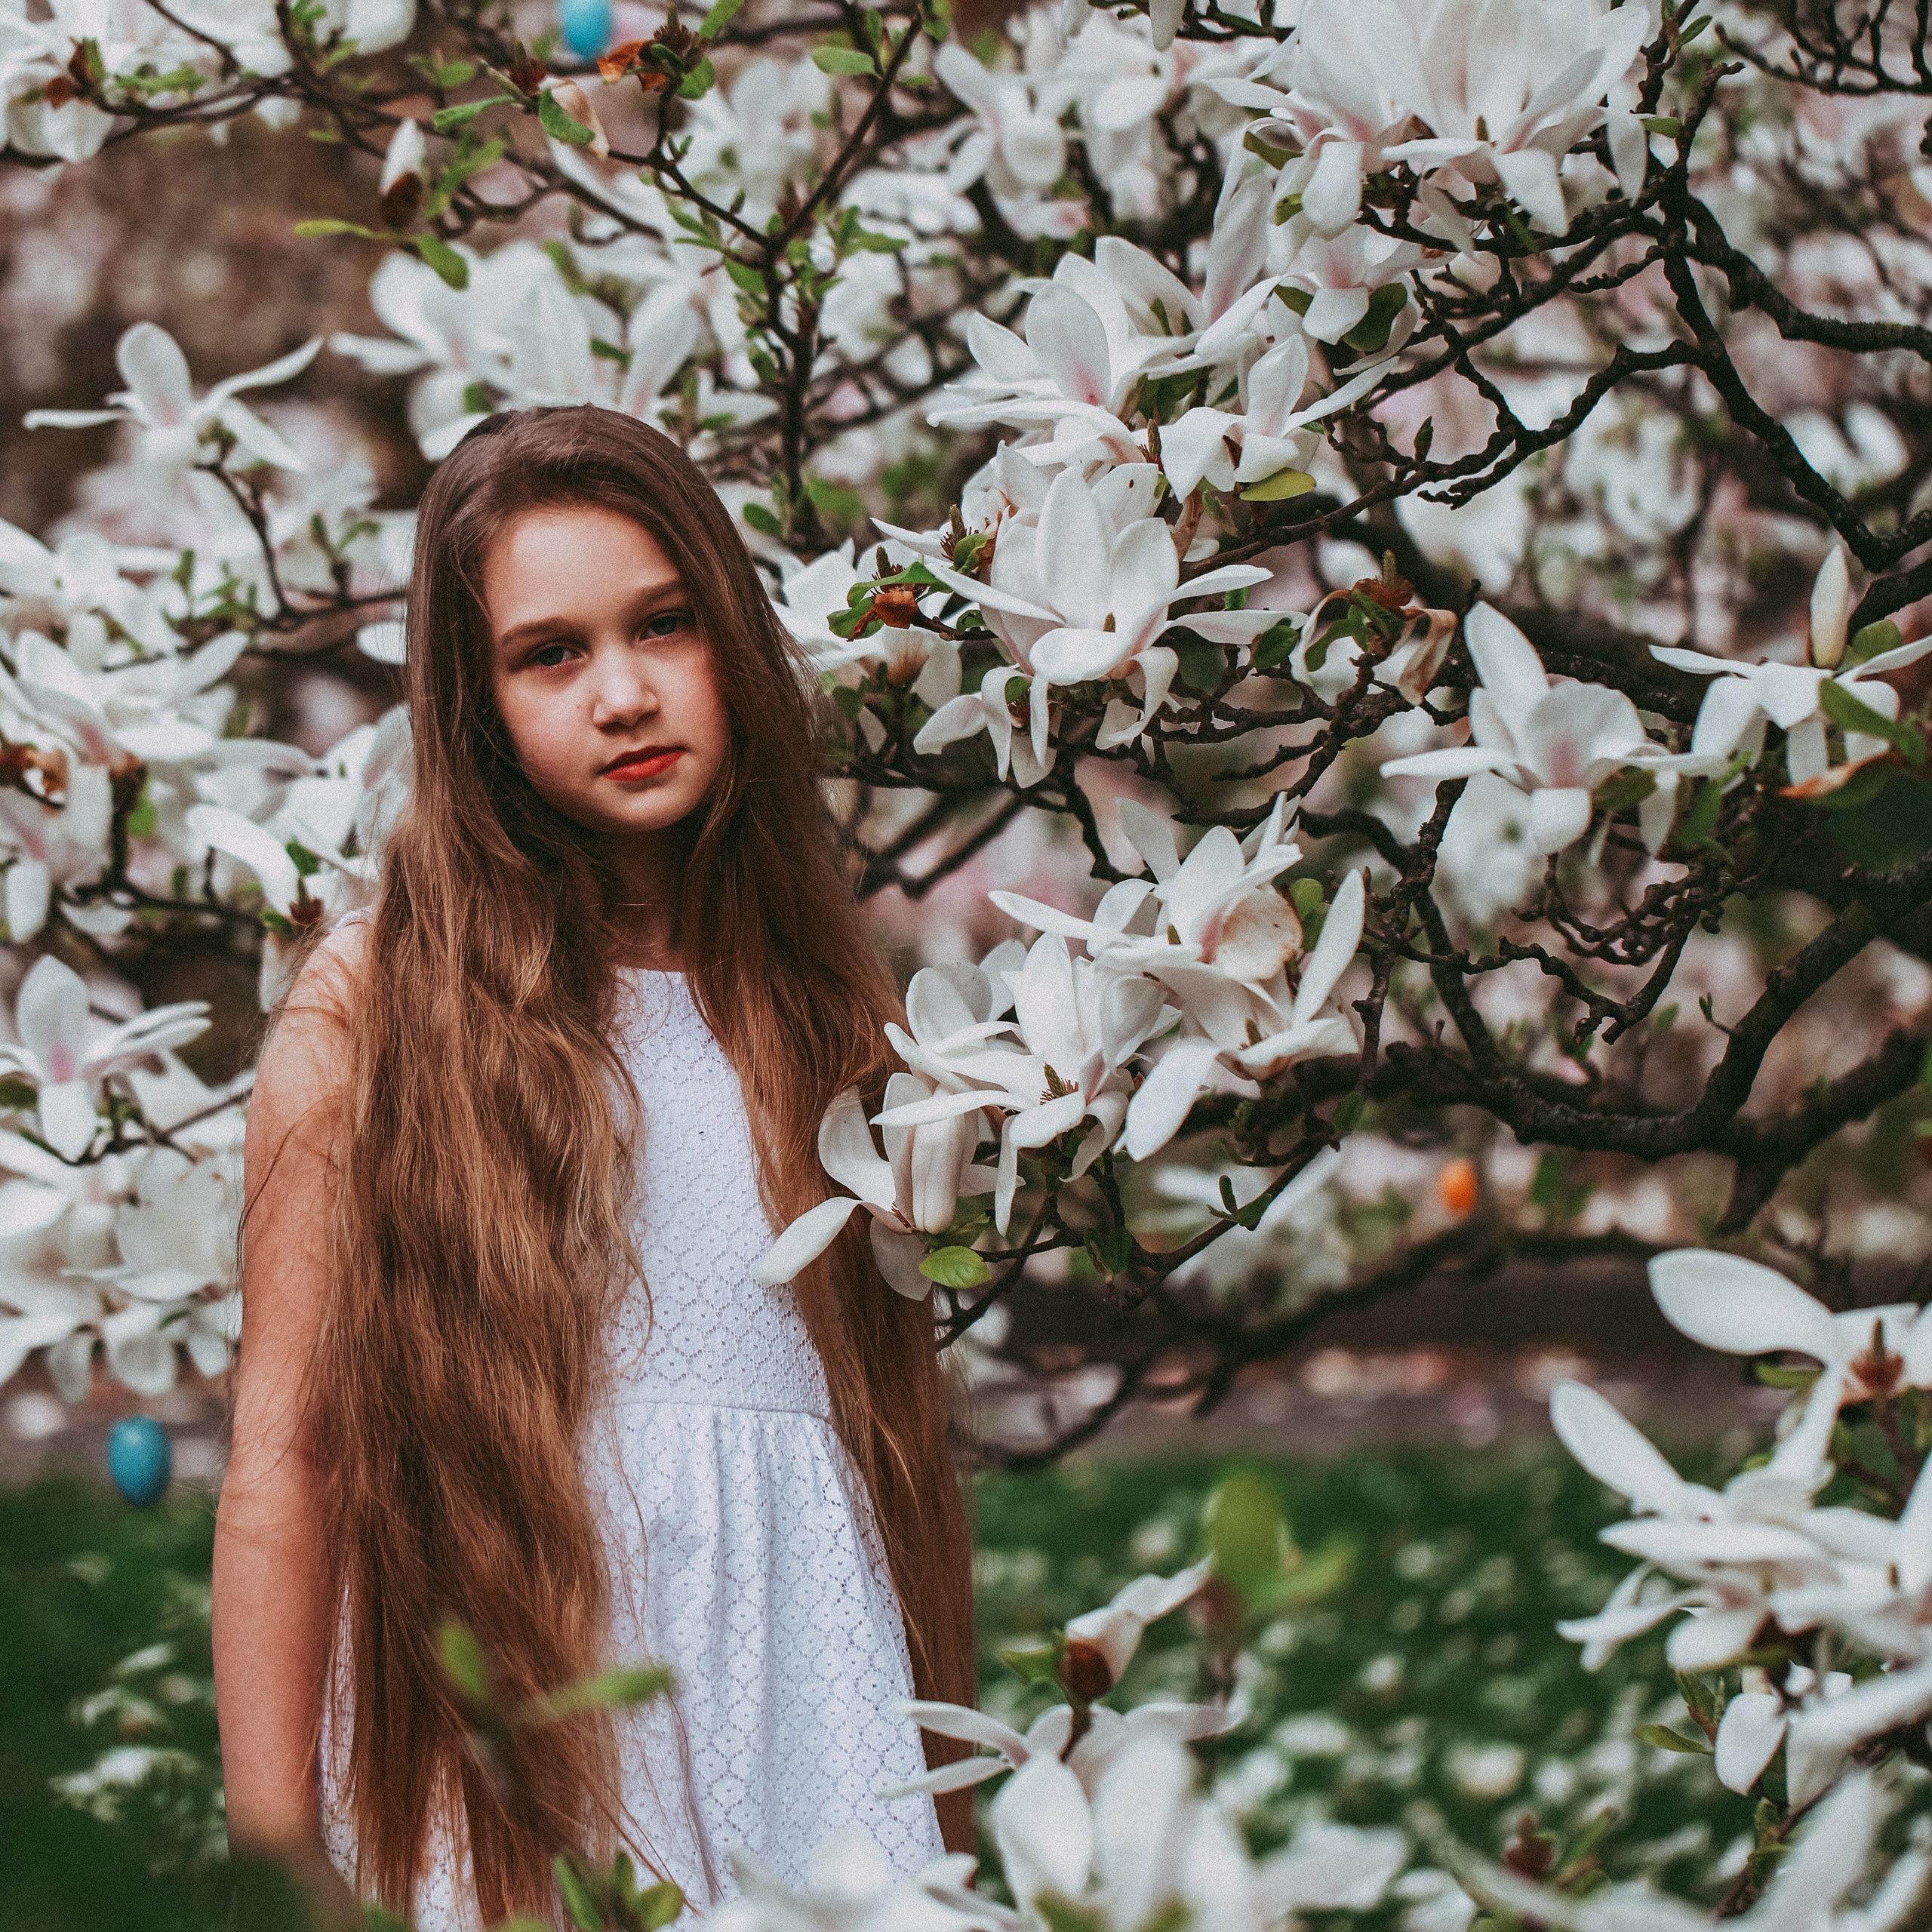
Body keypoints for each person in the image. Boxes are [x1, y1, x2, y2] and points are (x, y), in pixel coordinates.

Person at [211, 406, 976, 1929]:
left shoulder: (830, 1012)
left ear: (730, 639)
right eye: (550, 653)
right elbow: (288, 1459)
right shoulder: (376, 1013)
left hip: (799, 1705)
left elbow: (891, 1460)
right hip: (517, 1720)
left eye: (664, 624)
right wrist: (275, 1851)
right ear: (478, 700)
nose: (623, 692)